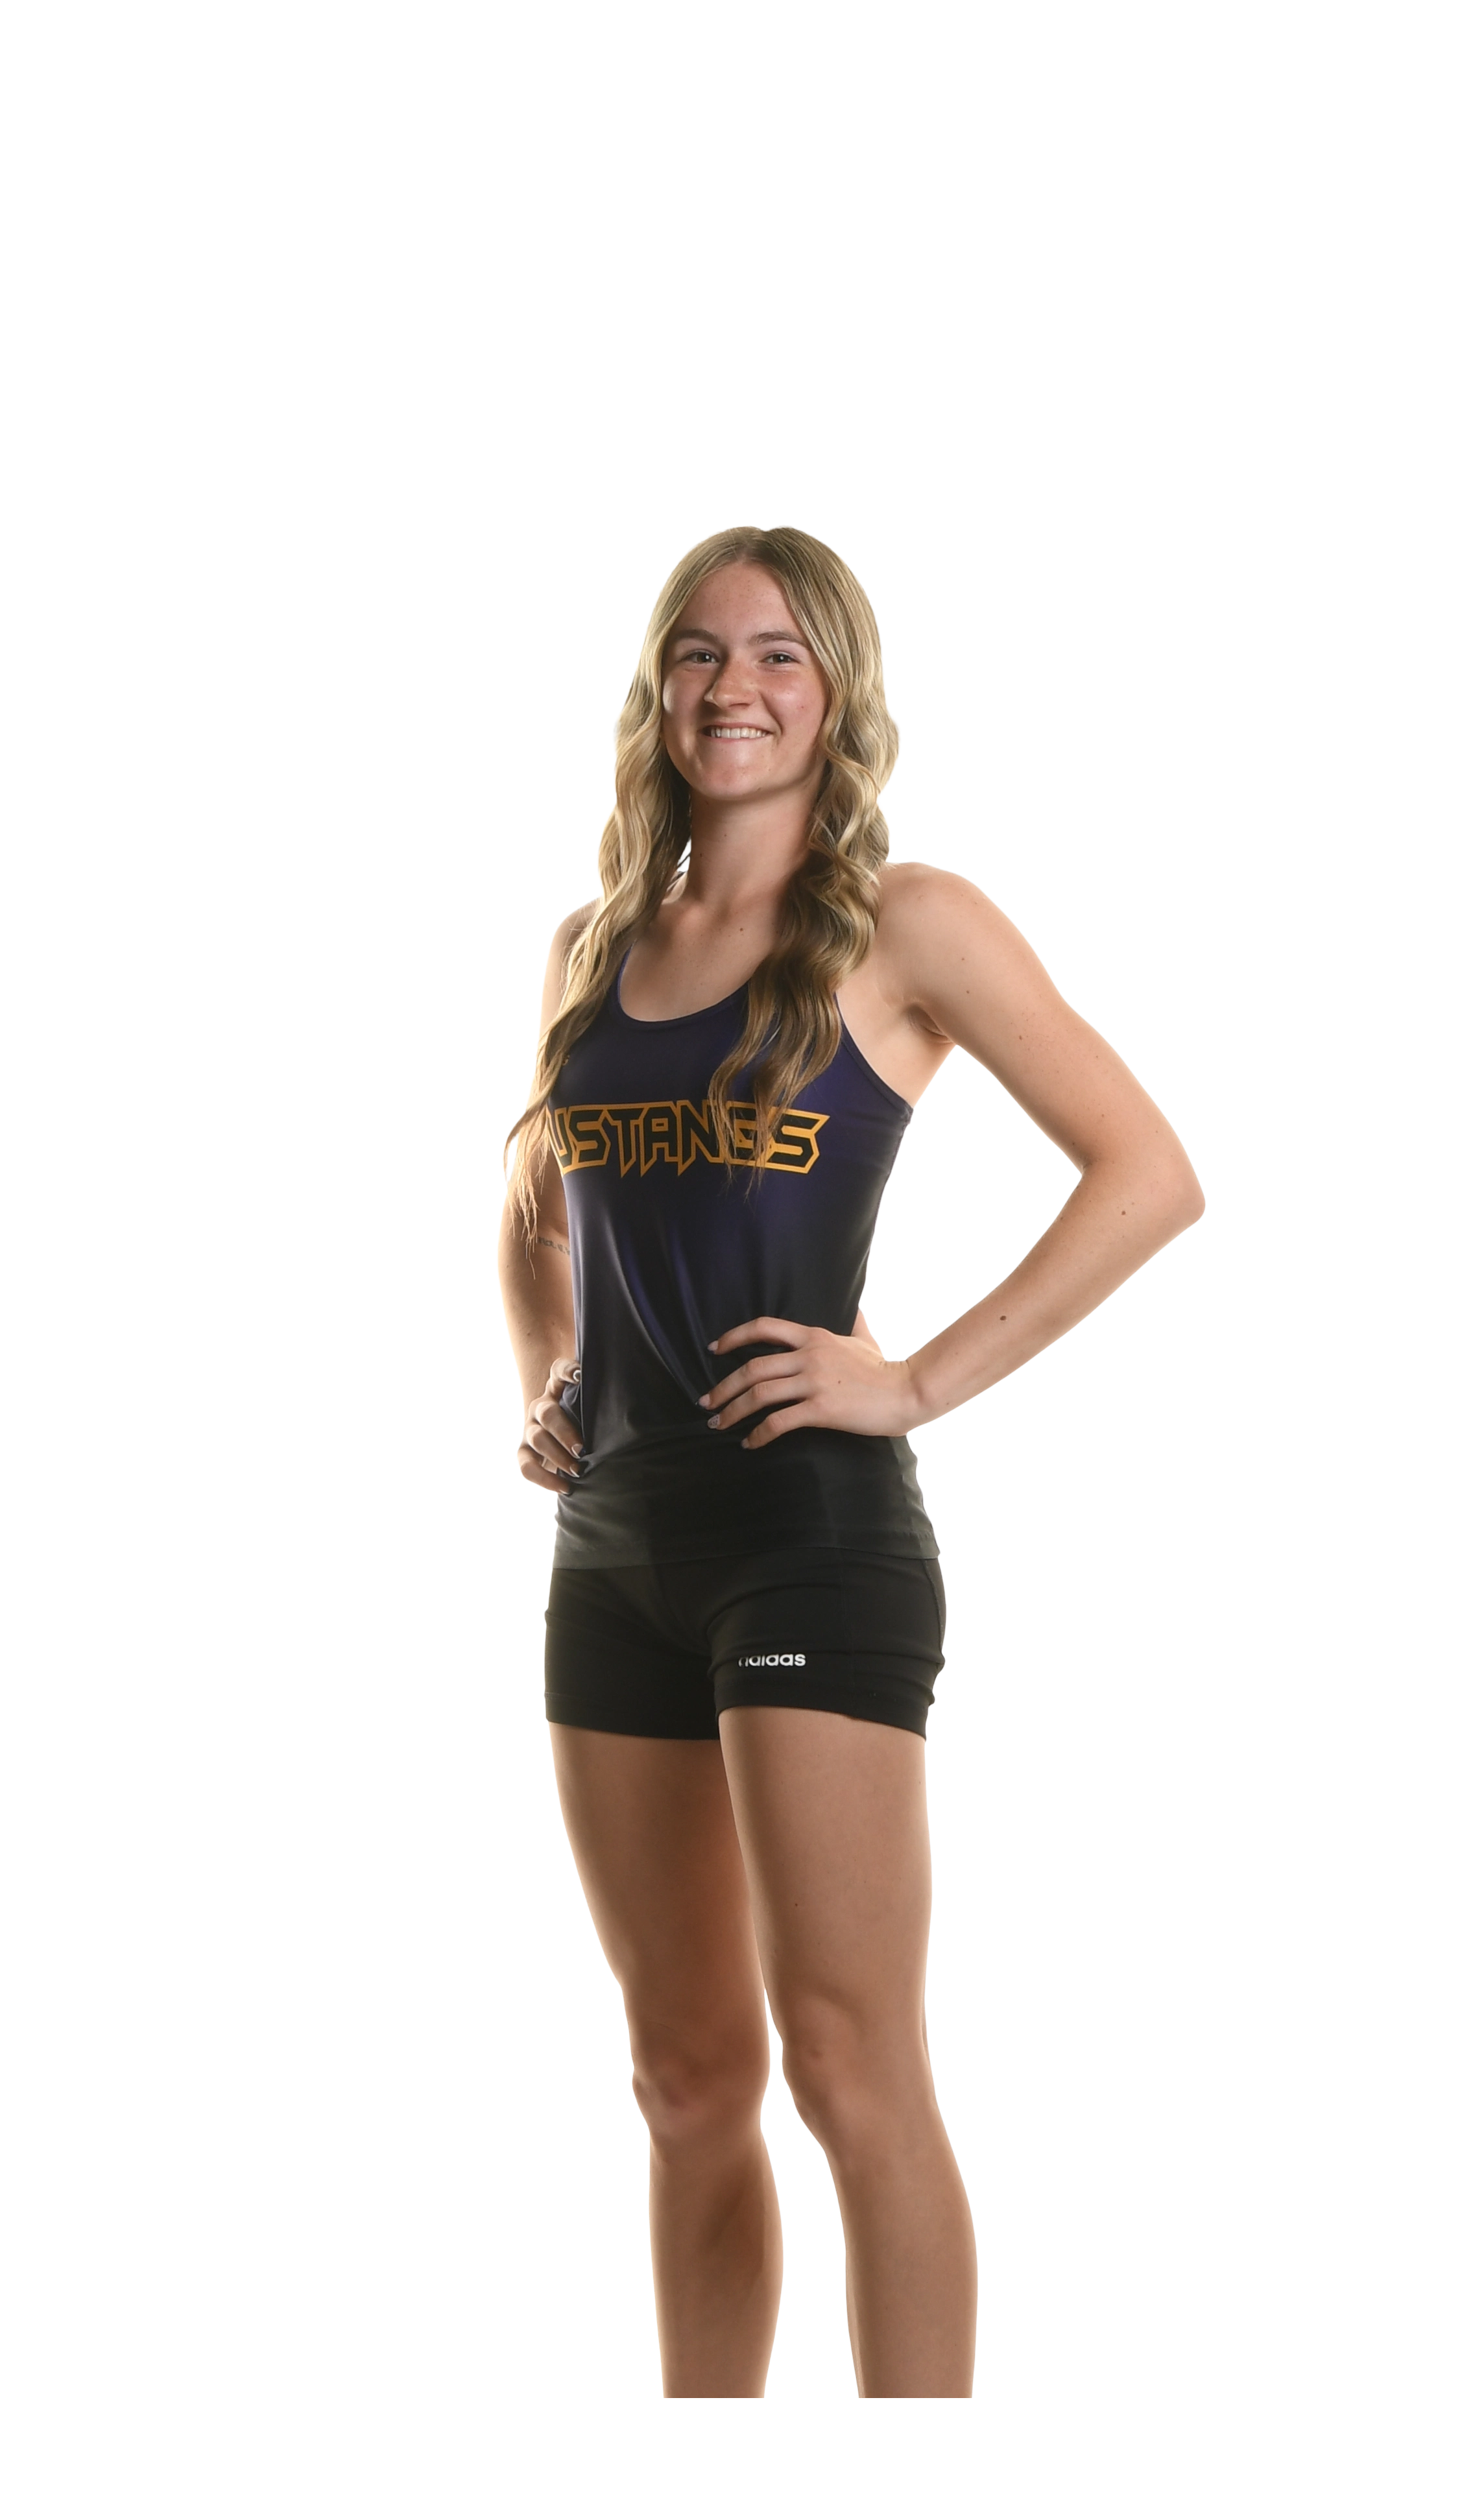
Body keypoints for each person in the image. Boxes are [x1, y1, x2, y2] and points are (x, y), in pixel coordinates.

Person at [497, 524, 1205, 2397]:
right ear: (655, 687)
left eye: (780, 655)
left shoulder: (909, 925)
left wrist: (913, 1384)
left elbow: (1150, 1175)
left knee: (844, 2064)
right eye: (699, 652)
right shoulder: (594, 946)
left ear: (839, 695)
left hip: (808, 1542)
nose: (733, 687)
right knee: (683, 2079)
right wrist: (551, 1369)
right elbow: (534, 1212)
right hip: (613, 1555)